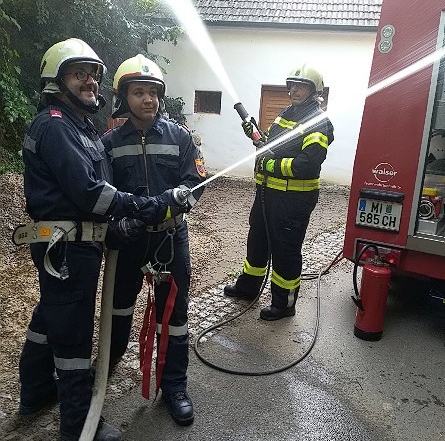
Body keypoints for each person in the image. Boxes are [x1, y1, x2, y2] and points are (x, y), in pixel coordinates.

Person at [17, 39, 186, 441]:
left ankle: (36, 391)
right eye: (79, 74)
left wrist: (115, 226)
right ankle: (78, 424)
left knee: (51, 317)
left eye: (93, 74)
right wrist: (143, 208)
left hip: (78, 244)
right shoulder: (56, 125)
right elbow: (91, 193)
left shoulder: (78, 126)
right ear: (55, 80)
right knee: (73, 332)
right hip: (68, 246)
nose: (89, 81)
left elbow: (93, 194)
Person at [101, 54, 206, 426]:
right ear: (123, 97)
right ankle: (105, 371)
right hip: (128, 243)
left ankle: (174, 386)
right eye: (139, 92)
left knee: (173, 316)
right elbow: (102, 193)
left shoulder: (180, 137)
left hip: (170, 239)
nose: (148, 99)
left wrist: (171, 204)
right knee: (117, 309)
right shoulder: (109, 143)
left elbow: (196, 183)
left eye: (153, 92)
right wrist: (116, 225)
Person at [224, 64, 334, 321]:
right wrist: (257, 135)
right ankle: (248, 287)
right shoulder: (286, 113)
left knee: (285, 250)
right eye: (292, 85)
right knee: (258, 240)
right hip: (268, 194)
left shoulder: (318, 122)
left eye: (301, 86)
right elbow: (271, 146)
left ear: (314, 91)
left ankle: (284, 304)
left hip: (293, 200)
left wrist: (270, 165)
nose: (294, 90)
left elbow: (306, 164)